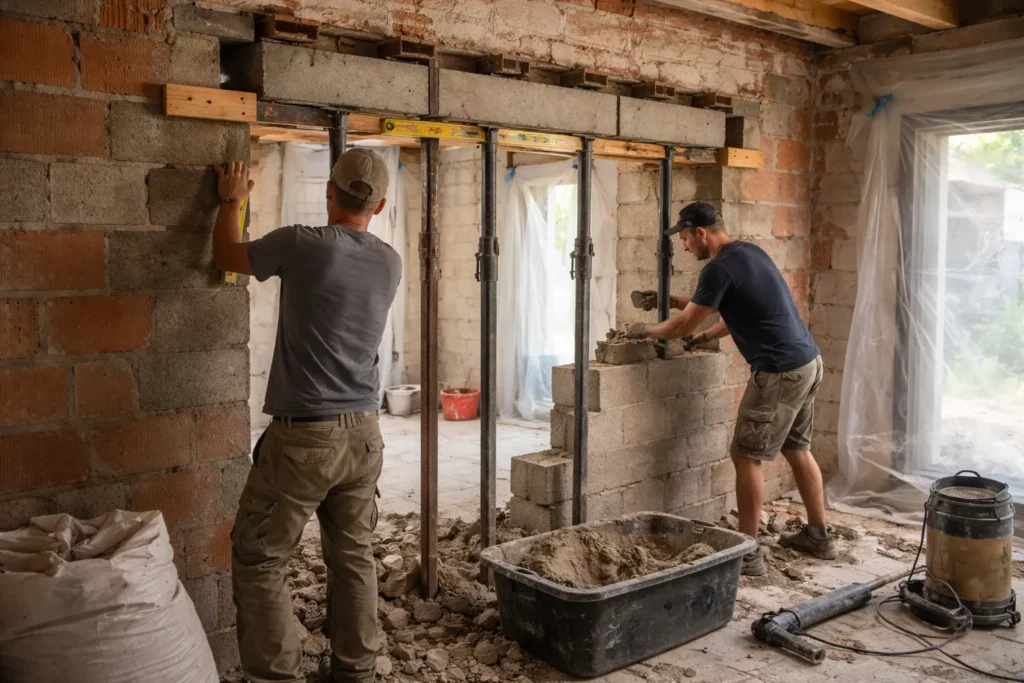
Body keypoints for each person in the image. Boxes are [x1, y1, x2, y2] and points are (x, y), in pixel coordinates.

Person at [212, 149, 402, 682]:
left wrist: (230, 201)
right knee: (354, 555)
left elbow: (227, 254)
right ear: (380, 205)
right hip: (365, 432)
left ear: (329, 191)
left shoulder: (302, 243)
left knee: (260, 558)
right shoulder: (390, 261)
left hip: (306, 439)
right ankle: (356, 672)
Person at [626, 201, 833, 576]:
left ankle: (749, 553)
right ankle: (818, 536)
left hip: (779, 371)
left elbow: (682, 325)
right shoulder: (749, 253)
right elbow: (733, 310)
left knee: (746, 455)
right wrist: (677, 307)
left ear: (701, 233)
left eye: (685, 238)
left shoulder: (717, 267)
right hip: (807, 362)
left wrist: (642, 330)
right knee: (796, 448)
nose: (684, 246)